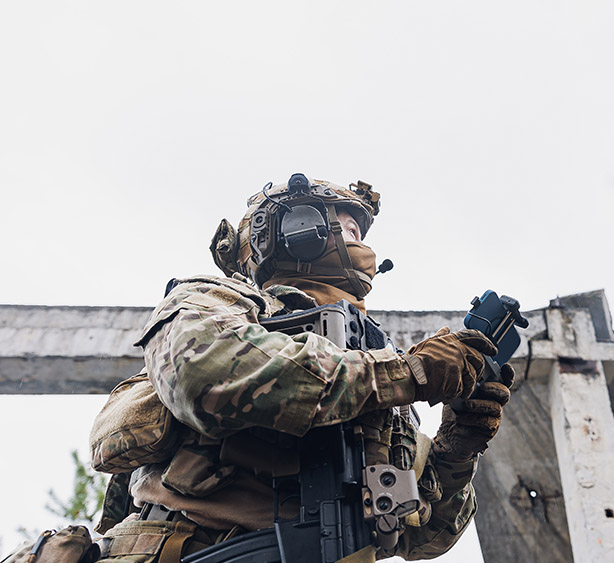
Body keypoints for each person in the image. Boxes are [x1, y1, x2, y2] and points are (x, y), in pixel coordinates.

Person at [87, 173, 515, 563]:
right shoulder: (217, 300)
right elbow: (203, 373)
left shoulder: (375, 363)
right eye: (347, 227)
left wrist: (457, 449)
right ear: (299, 229)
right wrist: (408, 373)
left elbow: (421, 539)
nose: (360, 242)